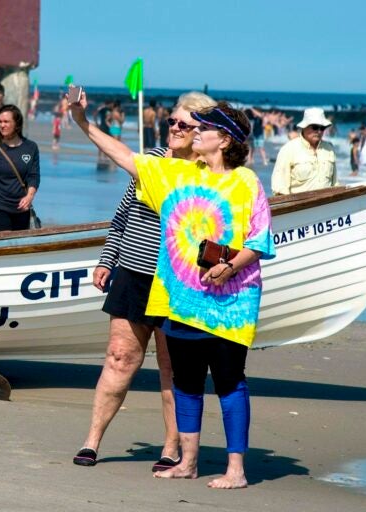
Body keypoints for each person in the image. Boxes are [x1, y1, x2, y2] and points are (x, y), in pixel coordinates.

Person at [71, 92, 275, 489]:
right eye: (189, 126)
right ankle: (189, 462)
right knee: (186, 382)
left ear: (225, 140)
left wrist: (229, 265)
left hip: (232, 303)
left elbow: (262, 238)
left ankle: (236, 470)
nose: (193, 132)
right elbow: (126, 158)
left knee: (231, 382)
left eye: (203, 128)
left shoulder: (246, 181)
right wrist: (83, 123)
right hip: (183, 299)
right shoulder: (176, 174)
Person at [74, 92, 217, 474]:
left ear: (201, 131)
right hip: (134, 272)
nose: (173, 128)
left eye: (183, 125)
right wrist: (108, 260)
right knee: (119, 357)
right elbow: (122, 217)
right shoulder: (152, 160)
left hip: (177, 282)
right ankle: (92, 440)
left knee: (173, 368)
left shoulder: (209, 173)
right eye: (171, 121)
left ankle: (171, 447)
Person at [271, 108, 338, 195]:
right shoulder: (289, 149)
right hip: (300, 207)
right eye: (315, 127)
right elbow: (279, 188)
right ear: (304, 127)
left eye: (322, 128)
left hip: (327, 206)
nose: (319, 131)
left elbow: (335, 184)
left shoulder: (329, 149)